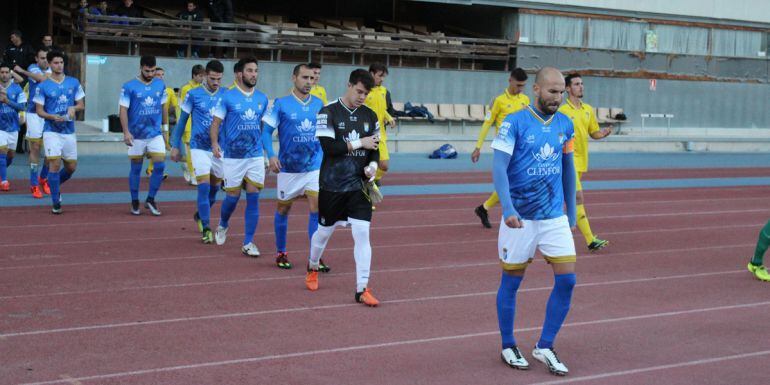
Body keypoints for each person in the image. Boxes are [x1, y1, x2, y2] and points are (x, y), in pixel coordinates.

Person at [492, 67, 577, 376]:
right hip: (520, 219)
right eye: (552, 91)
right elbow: (499, 167)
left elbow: (568, 169)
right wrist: (508, 208)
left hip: (553, 216)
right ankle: (508, 343)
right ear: (537, 90)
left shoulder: (565, 125)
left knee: (567, 280)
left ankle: (545, 345)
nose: (558, 97)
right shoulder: (513, 122)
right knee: (512, 282)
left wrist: (571, 213)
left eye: (562, 92)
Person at [305, 69, 381, 307]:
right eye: (359, 91)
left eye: (366, 93)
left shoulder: (370, 115)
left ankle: (362, 288)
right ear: (349, 85)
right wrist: (360, 142)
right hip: (332, 186)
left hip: (358, 187)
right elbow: (330, 148)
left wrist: (372, 166)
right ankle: (312, 265)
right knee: (323, 233)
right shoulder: (327, 112)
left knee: (362, 234)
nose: (362, 97)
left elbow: (374, 148)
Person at [261, 63, 329, 271]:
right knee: (283, 209)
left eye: (312, 78)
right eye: (305, 78)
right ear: (294, 78)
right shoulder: (281, 104)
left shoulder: (320, 104)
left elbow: (327, 136)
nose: (309, 82)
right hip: (288, 169)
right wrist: (271, 156)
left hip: (313, 166)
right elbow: (265, 133)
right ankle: (281, 251)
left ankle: (314, 257)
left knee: (316, 208)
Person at [209, 57, 268, 256]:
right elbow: (216, 123)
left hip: (255, 155)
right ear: (240, 74)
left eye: (256, 71)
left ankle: (248, 242)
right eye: (250, 70)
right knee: (232, 198)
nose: (254, 74)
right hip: (233, 156)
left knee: (253, 196)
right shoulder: (227, 97)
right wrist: (215, 143)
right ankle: (223, 223)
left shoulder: (262, 98)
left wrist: (266, 151)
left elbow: (263, 126)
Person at [170, 60, 226, 244]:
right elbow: (181, 121)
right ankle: (207, 228)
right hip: (198, 146)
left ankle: (200, 215)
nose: (216, 82)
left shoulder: (227, 95)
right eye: (212, 78)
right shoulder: (193, 95)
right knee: (202, 185)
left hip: (219, 148)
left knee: (214, 189)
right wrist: (175, 145)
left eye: (219, 78)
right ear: (204, 76)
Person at [558, 73, 611, 251]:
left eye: (582, 83)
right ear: (567, 88)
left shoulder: (588, 109)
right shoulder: (562, 110)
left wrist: (601, 134)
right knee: (577, 198)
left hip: (582, 162)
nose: (581, 87)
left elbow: (593, 132)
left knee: (563, 199)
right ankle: (590, 240)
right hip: (566, 161)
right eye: (576, 84)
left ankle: (555, 232)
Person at [472, 68, 529, 228]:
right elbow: (487, 123)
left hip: (521, 148)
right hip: (504, 148)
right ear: (510, 80)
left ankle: (484, 208)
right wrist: (478, 147)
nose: (520, 89)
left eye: (523, 86)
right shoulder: (499, 100)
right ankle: (511, 213)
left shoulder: (525, 99)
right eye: (518, 85)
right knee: (513, 183)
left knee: (515, 183)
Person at [33, 51, 85, 214]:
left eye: (61, 62)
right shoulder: (42, 86)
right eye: (55, 62)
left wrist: (73, 108)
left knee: (71, 167)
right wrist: (52, 116)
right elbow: (39, 111)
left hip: (69, 131)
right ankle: (56, 202)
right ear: (49, 64)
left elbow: (81, 104)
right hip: (51, 131)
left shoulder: (73, 82)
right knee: (54, 164)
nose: (59, 65)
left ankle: (53, 183)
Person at [119, 55, 169, 216]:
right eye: (147, 71)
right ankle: (134, 200)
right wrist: (126, 132)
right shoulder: (128, 86)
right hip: (136, 135)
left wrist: (165, 129)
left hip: (154, 133)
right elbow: (123, 110)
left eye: (153, 70)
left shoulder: (160, 84)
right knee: (136, 168)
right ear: (141, 68)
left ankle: (151, 199)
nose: (150, 74)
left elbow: (164, 108)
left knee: (160, 165)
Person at [14, 48, 52, 198]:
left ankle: (43, 177)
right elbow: (40, 78)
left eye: (46, 58)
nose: (44, 60)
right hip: (34, 113)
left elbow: (44, 79)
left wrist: (22, 71)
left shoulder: (52, 68)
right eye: (42, 58)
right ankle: (34, 184)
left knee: (51, 150)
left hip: (50, 113)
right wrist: (27, 71)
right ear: (36, 59)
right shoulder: (33, 68)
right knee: (35, 148)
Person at [364, 63, 395, 185]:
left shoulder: (384, 91)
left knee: (384, 165)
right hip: (366, 134)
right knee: (366, 164)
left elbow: (383, 109)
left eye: (383, 77)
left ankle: (372, 181)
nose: (382, 79)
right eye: (380, 76)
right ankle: (367, 186)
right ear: (371, 74)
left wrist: (389, 117)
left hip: (380, 133)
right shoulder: (365, 90)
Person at [145, 66, 176, 180]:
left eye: (162, 75)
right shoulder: (146, 89)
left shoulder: (169, 91)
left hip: (163, 123)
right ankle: (152, 169)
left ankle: (151, 169)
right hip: (149, 124)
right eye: (158, 75)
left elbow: (174, 107)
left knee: (162, 148)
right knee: (155, 148)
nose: (161, 77)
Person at [0, 63, 27, 191]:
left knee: (10, 156)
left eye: (6, 72)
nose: (4, 74)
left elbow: (22, 107)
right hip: (1, 127)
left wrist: (7, 102)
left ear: (10, 74)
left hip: (13, 127)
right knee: (2, 153)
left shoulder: (17, 88)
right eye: (2, 72)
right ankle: (4, 181)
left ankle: (1, 173)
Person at [178, 64, 206, 184]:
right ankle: (193, 175)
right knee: (190, 149)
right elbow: (184, 109)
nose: (202, 78)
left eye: (203, 76)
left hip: (200, 123)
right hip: (188, 122)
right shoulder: (186, 88)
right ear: (194, 75)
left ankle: (189, 167)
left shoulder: (203, 87)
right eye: (200, 76)